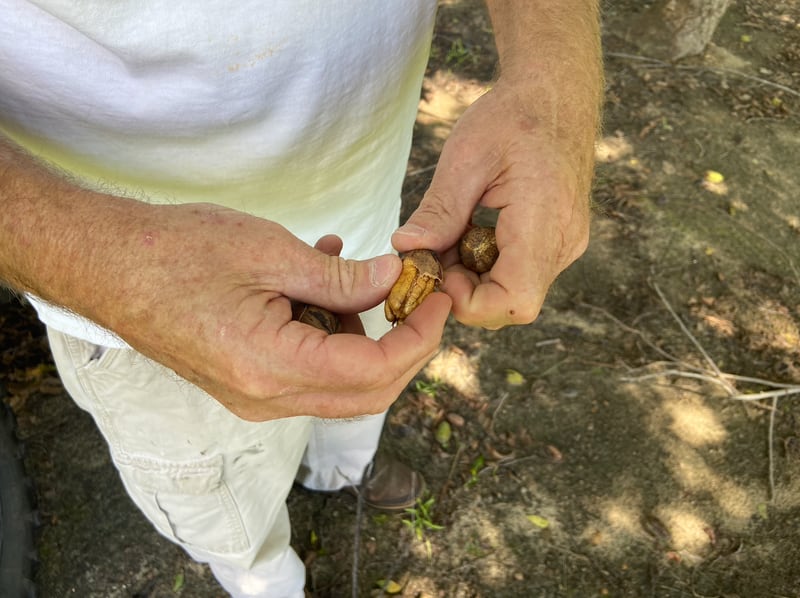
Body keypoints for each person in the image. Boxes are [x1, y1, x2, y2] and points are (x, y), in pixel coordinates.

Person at [0, 1, 603, 596]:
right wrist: (92, 262)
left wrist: (550, 87)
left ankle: (341, 473)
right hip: (139, 298)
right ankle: (265, 579)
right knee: (224, 499)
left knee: (360, 396)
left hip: (370, 223)